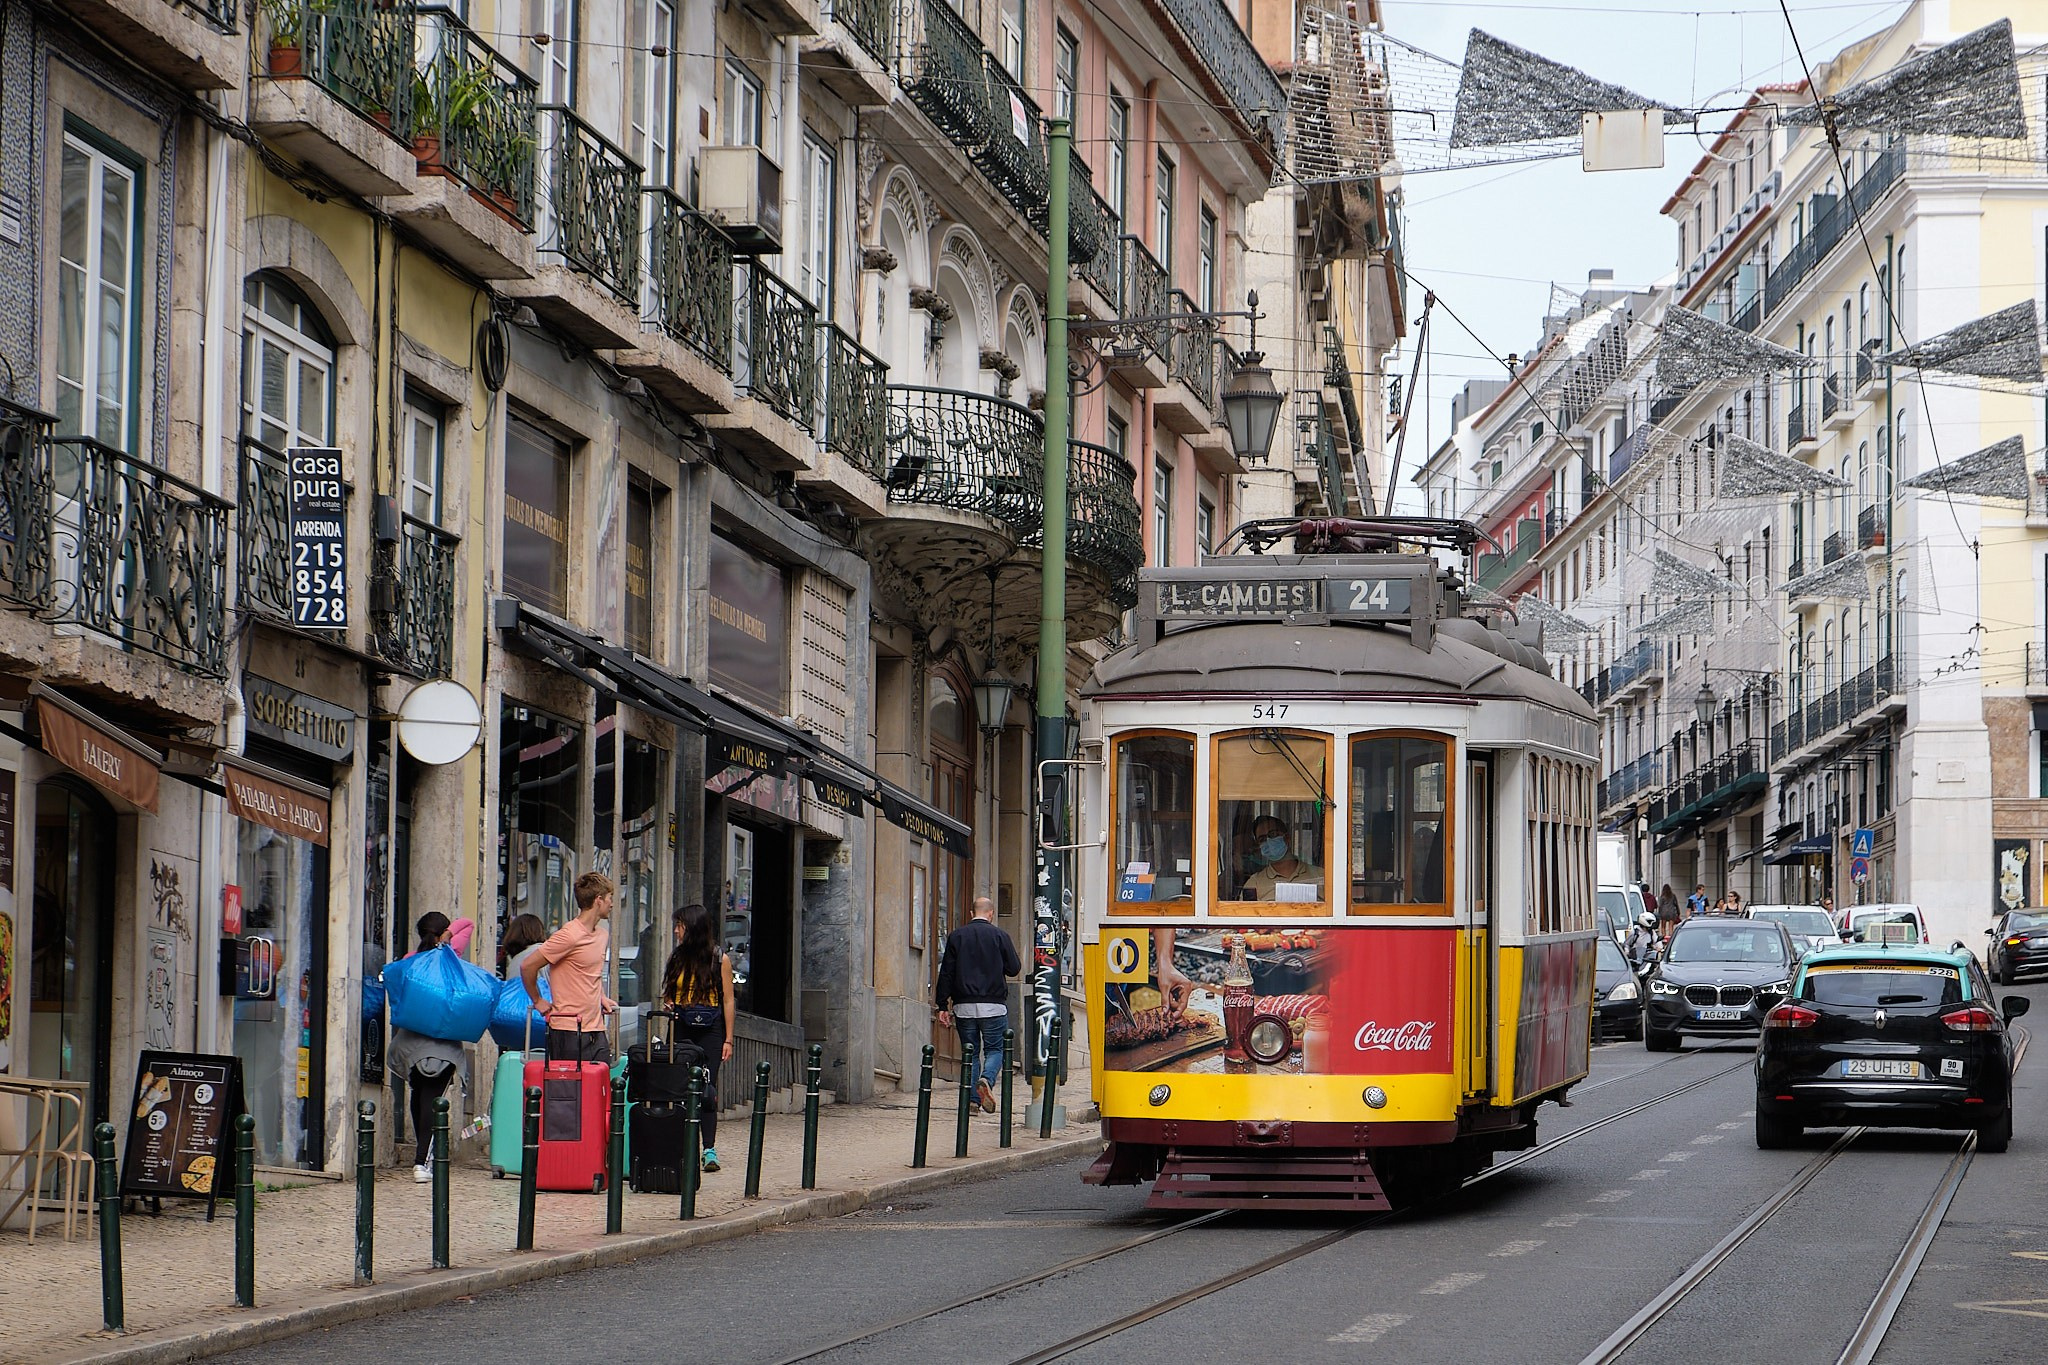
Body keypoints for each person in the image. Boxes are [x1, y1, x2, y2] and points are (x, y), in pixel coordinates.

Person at [389, 911, 474, 1183]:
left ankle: (422, 1155)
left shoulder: (409, 961)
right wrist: (447, 939)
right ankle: (421, 1161)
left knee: (418, 1095)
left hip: (410, 1044)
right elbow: (468, 923)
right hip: (443, 1047)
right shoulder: (451, 957)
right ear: (443, 933)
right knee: (434, 1100)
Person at [661, 903, 735, 1172]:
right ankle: (682, 1146)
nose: (675, 930)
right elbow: (669, 993)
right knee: (678, 1087)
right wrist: (670, 1004)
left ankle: (709, 1150)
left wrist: (728, 1038)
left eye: (679, 925)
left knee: (707, 1089)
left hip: (711, 1031)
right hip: (681, 1026)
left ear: (691, 928)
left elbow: (728, 1000)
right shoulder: (676, 958)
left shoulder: (719, 959)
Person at [934, 895, 1021, 1114]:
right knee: (996, 1049)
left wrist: (942, 1005)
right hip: (993, 1005)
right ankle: (987, 1080)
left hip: (964, 1006)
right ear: (991, 914)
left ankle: (973, 1102)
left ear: (972, 914)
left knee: (970, 1053)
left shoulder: (956, 937)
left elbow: (946, 973)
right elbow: (1014, 968)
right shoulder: (1000, 936)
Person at [522, 871, 618, 1064]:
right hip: (568, 1031)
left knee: (600, 1090)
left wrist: (600, 997)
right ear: (599, 900)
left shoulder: (602, 935)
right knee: (569, 1092)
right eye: (610, 898)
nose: (612, 903)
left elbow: (589, 973)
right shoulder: (569, 935)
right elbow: (528, 966)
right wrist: (538, 999)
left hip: (596, 1029)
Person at [1243, 818, 1324, 900]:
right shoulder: (1255, 883)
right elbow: (1243, 911)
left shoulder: (1320, 876)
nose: (1268, 841)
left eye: (1273, 834)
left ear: (1287, 838)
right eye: (1262, 839)